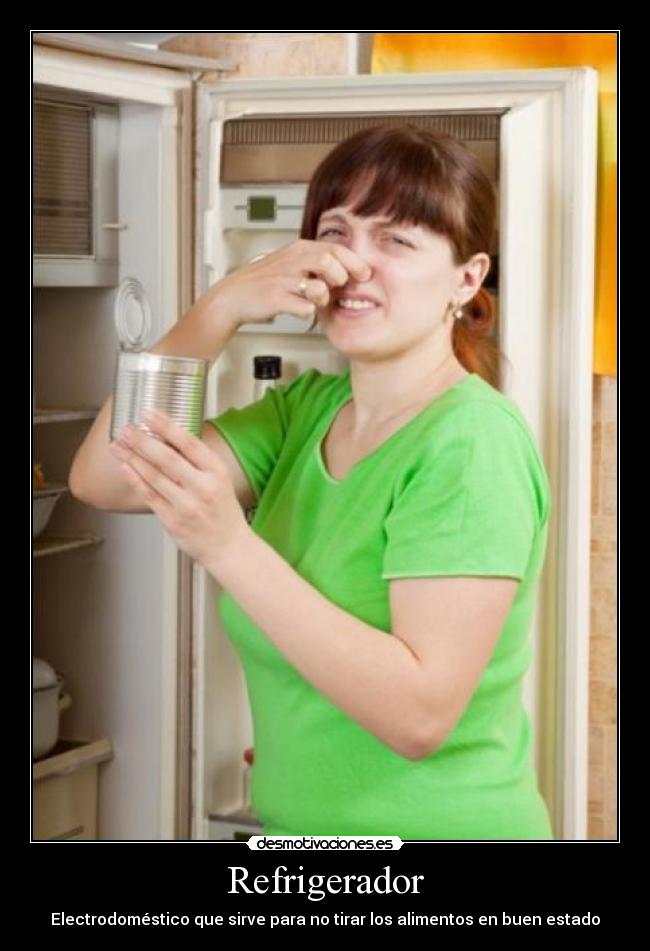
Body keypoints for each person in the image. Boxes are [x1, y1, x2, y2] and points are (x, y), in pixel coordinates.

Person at [69, 124, 553, 840]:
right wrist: (221, 306)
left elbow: (419, 715)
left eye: (396, 240)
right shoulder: (307, 411)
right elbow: (107, 474)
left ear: (467, 277)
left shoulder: (470, 442)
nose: (355, 264)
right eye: (337, 232)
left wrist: (228, 546)